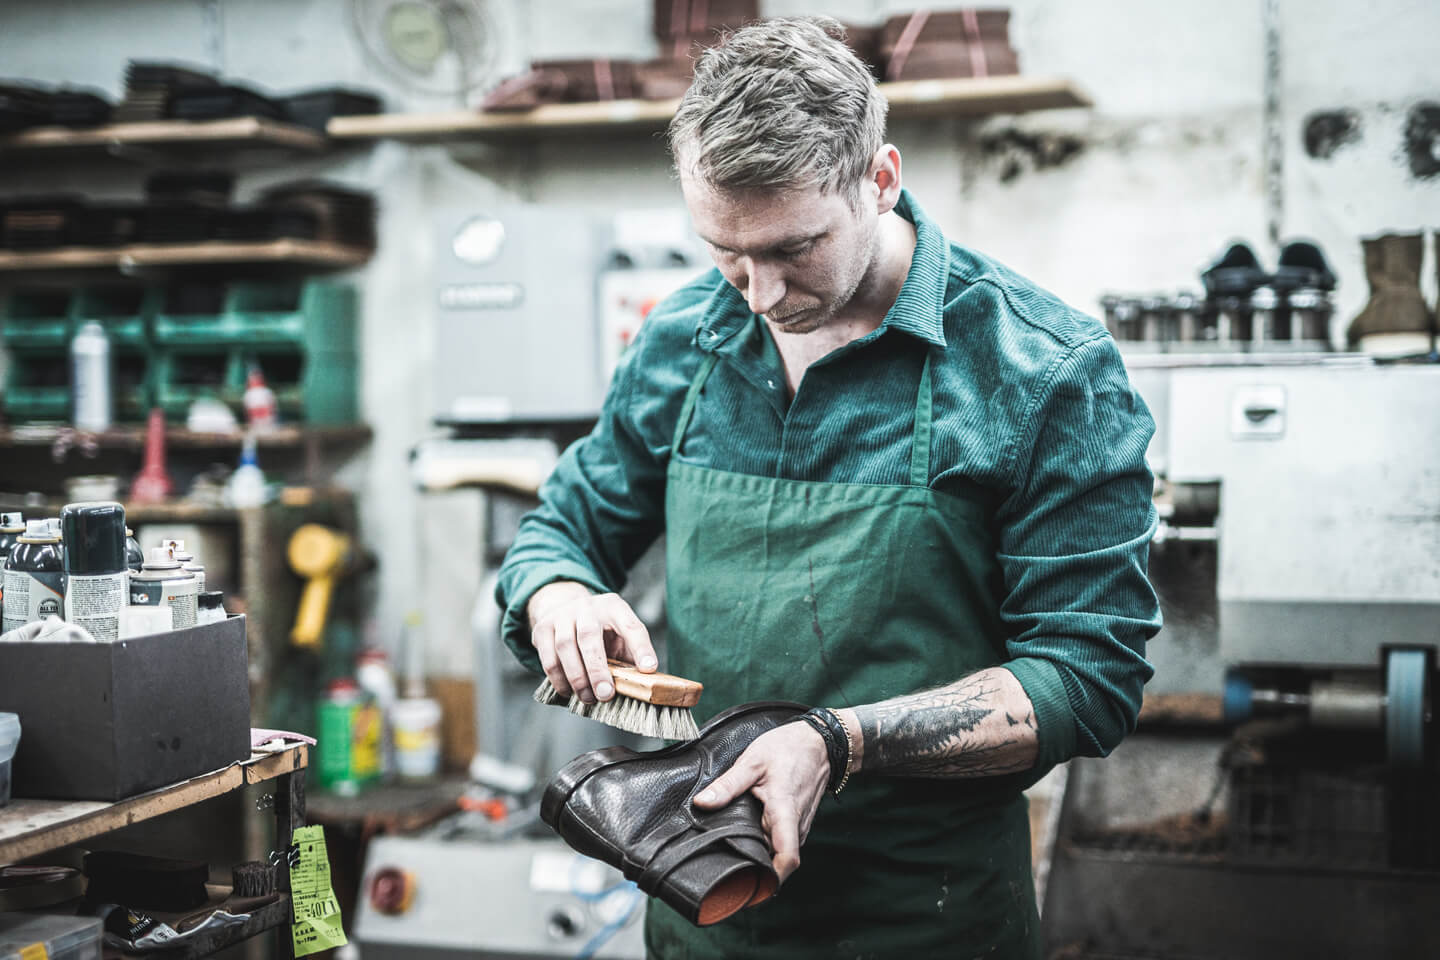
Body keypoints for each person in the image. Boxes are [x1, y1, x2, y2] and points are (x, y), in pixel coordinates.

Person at [496, 16, 1162, 959]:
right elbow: (561, 525)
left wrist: (835, 741)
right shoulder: (685, 338)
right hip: (707, 902)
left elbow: (1088, 676)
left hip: (925, 915)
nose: (759, 294)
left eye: (793, 248)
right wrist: (556, 590)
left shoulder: (1041, 369)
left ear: (880, 180)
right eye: (725, 251)